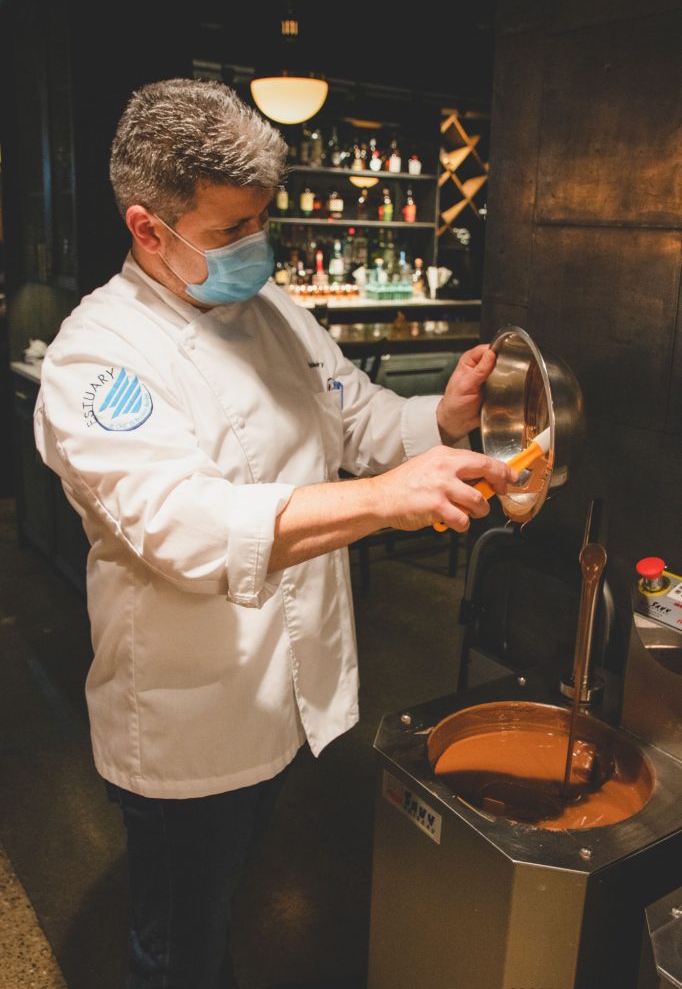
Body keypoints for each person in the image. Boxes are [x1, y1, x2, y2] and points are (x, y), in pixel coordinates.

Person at [33, 78, 515, 989]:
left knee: (231, 900)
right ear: (147, 230)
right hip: (189, 718)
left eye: (262, 222)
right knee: (177, 945)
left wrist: (440, 417)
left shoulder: (273, 310)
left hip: (284, 690)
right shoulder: (97, 358)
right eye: (227, 233)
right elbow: (187, 527)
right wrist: (383, 503)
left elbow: (359, 418)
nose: (254, 248)